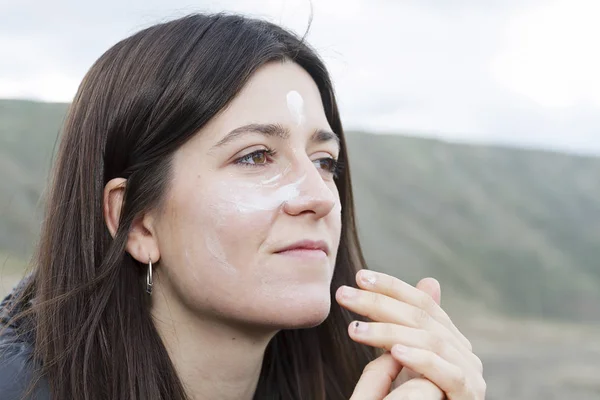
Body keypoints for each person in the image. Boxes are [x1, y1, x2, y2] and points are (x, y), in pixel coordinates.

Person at [0, 13, 486, 399]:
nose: (319, 197)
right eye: (255, 156)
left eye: (324, 161)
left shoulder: (359, 383)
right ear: (137, 223)